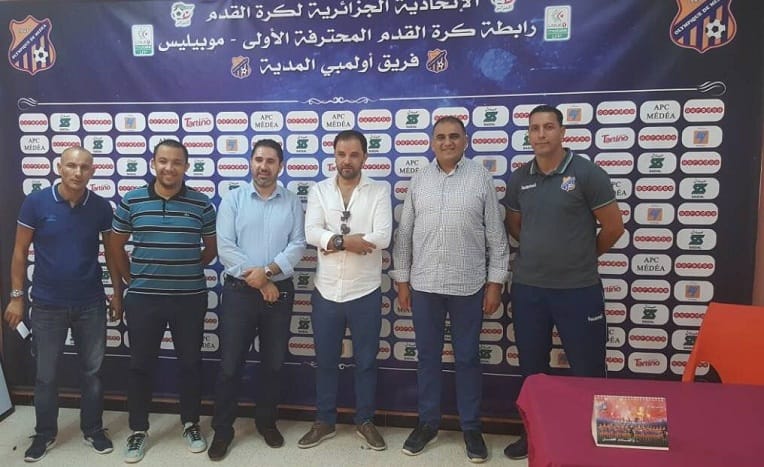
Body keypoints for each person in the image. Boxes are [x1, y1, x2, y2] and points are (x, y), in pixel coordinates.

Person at [502, 105, 625, 459]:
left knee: (587, 369)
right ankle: (533, 435)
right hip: (529, 290)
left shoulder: (587, 173)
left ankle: (593, 442)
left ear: (562, 131)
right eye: (534, 128)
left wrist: (582, 255)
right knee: (532, 372)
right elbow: (515, 225)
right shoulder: (520, 178)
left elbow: (613, 227)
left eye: (548, 127)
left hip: (578, 290)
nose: (541, 134)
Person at [391, 116, 509, 463]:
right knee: (428, 358)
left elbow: (496, 236)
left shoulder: (481, 178)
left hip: (468, 285)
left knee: (468, 358)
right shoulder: (419, 180)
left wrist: (495, 283)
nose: (447, 142)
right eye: (440, 137)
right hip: (425, 285)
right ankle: (427, 423)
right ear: (432, 142)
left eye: (454, 136)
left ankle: (471, 427)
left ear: (465, 141)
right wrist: (402, 281)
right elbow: (404, 235)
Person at [3, 146, 121, 462]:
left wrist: (117, 293)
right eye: (71, 165)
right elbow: (19, 251)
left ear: (92, 171)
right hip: (47, 305)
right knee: (46, 376)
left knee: (92, 373)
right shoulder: (36, 203)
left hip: (91, 304)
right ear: (59, 167)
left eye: (84, 167)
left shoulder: (101, 207)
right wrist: (16, 297)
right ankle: (44, 434)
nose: (77, 172)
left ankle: (93, 429)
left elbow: (112, 254)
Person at [109, 139, 217, 463]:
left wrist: (185, 268)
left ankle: (190, 424)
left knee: (190, 364)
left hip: (190, 298)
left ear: (186, 166)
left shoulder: (202, 204)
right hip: (144, 299)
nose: (170, 167)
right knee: (140, 366)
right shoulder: (132, 200)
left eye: (177, 162)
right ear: (153, 163)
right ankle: (138, 429)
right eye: (163, 161)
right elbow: (115, 246)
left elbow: (211, 249)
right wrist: (132, 278)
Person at [207, 139, 306, 460]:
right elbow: (226, 247)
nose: (264, 166)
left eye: (271, 161)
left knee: (273, 364)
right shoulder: (233, 199)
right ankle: (223, 429)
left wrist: (268, 273)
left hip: (280, 291)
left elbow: (298, 244)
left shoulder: (291, 201)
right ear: (251, 162)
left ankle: (266, 422)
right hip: (239, 292)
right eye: (259, 160)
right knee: (230, 365)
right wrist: (261, 281)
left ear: (280, 166)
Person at [299, 130, 392, 451]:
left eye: (353, 155)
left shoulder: (379, 190)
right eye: (341, 154)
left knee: (365, 361)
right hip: (326, 291)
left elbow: (383, 236)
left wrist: (333, 242)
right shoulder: (319, 190)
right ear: (334, 156)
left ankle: (364, 420)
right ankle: (324, 420)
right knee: (325, 360)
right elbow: (311, 231)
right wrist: (344, 241)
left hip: (365, 291)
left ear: (365, 157)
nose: (347, 161)